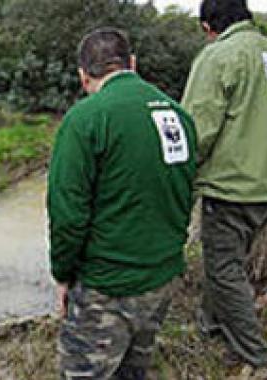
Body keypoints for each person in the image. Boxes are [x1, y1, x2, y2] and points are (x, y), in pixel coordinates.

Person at [48, 27, 197, 379]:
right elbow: (183, 191)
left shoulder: (85, 119)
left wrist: (63, 274)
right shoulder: (179, 116)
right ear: (132, 63)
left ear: (84, 76)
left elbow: (67, 214)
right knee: (133, 371)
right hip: (161, 277)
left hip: (107, 286)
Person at [181, 0, 267, 370]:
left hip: (231, 185)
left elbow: (197, 130)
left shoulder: (218, 56)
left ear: (209, 26)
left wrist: (181, 176)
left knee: (225, 269)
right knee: (227, 261)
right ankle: (210, 324)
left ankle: (258, 355)